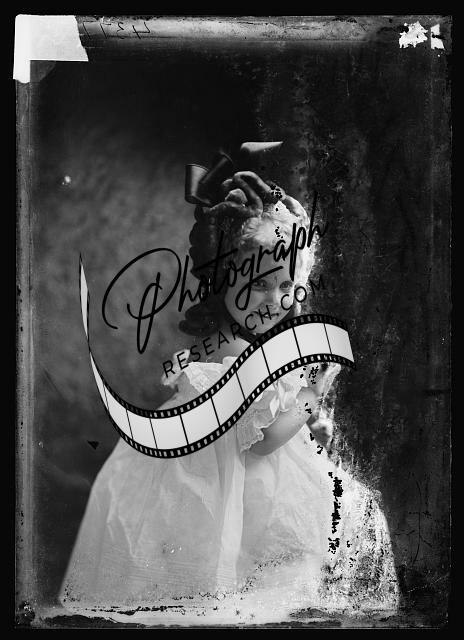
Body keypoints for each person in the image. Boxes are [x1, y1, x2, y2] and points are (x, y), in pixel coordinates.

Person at [60, 164, 399, 624]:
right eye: (259, 284)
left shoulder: (223, 342)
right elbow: (263, 442)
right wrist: (313, 392)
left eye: (285, 286)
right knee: (304, 536)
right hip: (231, 479)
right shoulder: (243, 355)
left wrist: (303, 420)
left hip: (217, 465)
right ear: (222, 280)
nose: (274, 300)